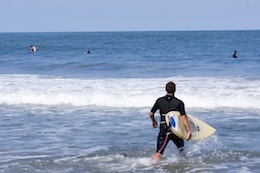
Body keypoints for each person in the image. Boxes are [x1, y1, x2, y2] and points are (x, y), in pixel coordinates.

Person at [149, 81, 191, 163]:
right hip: (176, 131)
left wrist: (154, 121)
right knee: (182, 153)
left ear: (165, 89)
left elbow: (151, 113)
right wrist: (188, 131)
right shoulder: (179, 102)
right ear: (175, 89)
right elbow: (183, 117)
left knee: (159, 153)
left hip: (164, 130)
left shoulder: (159, 101)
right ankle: (185, 168)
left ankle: (150, 167)